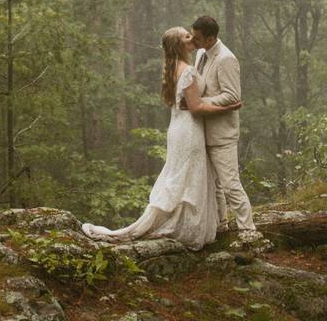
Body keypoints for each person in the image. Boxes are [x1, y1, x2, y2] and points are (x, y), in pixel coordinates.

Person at [80, 26, 241, 250]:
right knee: (186, 178)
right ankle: (185, 227)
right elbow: (196, 108)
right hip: (189, 129)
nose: (192, 37)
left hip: (178, 128)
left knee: (181, 176)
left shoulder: (175, 66)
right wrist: (229, 107)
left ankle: (200, 223)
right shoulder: (187, 70)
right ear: (179, 45)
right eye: (187, 36)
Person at [190, 16, 260, 241]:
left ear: (211, 38)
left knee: (230, 184)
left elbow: (232, 96)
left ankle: (248, 231)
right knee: (215, 185)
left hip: (222, 133)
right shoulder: (200, 53)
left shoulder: (227, 59)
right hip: (202, 130)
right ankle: (222, 225)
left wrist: (200, 104)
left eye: (198, 37)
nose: (194, 40)